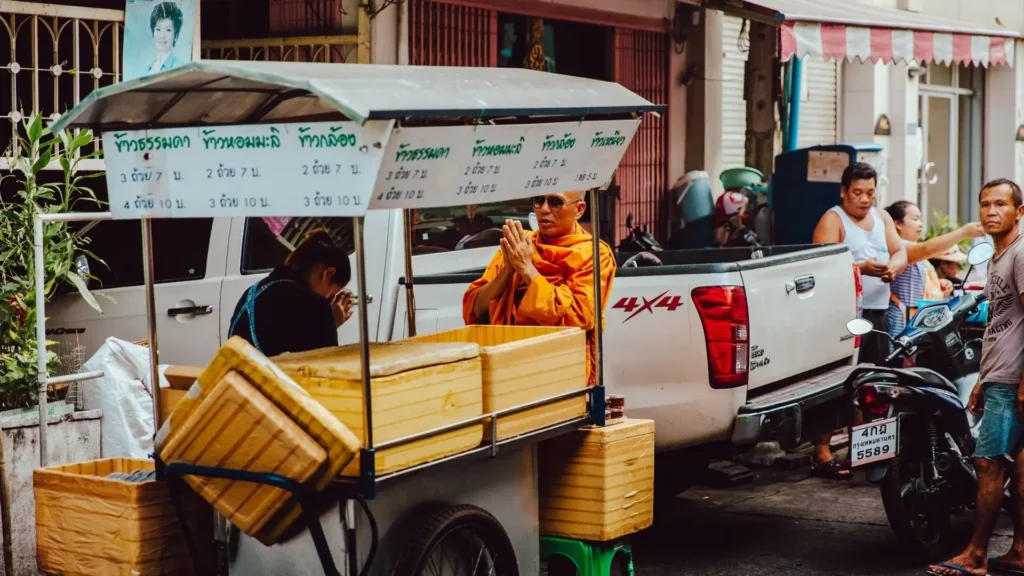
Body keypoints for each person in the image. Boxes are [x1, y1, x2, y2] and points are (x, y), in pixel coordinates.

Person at [928, 179, 1024, 576]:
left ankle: (977, 555)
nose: (991, 212)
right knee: (1018, 470)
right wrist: (984, 378)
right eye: (985, 204)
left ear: (1019, 211)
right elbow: (1002, 326)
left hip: (1013, 380)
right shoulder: (996, 256)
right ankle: (1019, 552)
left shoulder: (1020, 255)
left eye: (1001, 204)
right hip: (1001, 377)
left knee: (988, 464)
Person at [809, 162, 909, 479]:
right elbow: (821, 268)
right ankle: (822, 452)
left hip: (876, 313)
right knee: (840, 384)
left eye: (870, 193)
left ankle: (863, 451)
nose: (864, 200)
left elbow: (900, 251)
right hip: (843, 316)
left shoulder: (880, 218)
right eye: (857, 193)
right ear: (843, 192)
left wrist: (894, 265)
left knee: (872, 385)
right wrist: (860, 269)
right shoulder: (832, 220)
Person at [462, 191, 616, 384]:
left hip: (560, 370)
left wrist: (527, 269)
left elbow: (578, 316)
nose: (544, 210)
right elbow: (476, 310)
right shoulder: (521, 245)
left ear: (579, 209)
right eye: (538, 201)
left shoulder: (593, 254)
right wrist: (508, 271)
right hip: (506, 365)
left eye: (555, 202)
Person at [228, 228, 354, 358]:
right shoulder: (316, 305)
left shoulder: (252, 292)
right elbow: (326, 366)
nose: (329, 299)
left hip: (238, 375)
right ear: (327, 273)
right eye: (332, 294)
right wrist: (330, 323)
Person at [884, 200, 985, 340]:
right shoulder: (898, 247)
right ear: (897, 224)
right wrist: (963, 232)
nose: (920, 224)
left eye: (920, 219)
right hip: (900, 319)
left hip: (913, 319)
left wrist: (938, 285)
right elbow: (925, 248)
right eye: (915, 219)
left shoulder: (914, 249)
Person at [147, 2, 185, 74]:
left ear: (176, 35)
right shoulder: (147, 69)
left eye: (168, 30)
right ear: (153, 33)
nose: (162, 35)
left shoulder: (181, 69)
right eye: (158, 29)